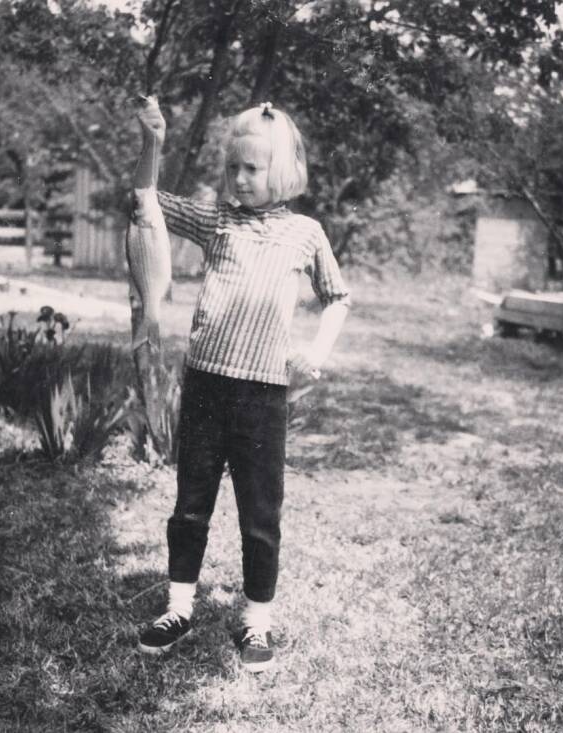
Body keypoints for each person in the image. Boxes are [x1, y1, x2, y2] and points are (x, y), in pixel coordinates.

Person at [133, 97, 350, 672]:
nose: (240, 178)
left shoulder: (306, 233)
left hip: (262, 394)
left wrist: (316, 353)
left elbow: (338, 297)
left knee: (260, 514)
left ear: (282, 170)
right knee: (190, 507)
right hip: (206, 385)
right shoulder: (216, 220)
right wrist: (154, 140)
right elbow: (146, 203)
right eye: (233, 167)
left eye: (253, 168)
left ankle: (258, 620)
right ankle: (179, 606)